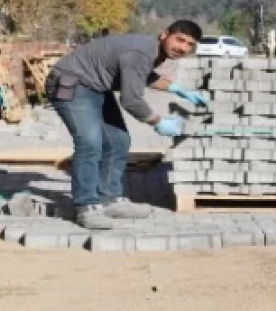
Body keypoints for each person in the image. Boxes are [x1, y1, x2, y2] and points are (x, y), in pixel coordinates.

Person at [46, 20, 210, 230]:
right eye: (180, 40)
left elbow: (142, 75)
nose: (183, 48)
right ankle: (86, 206)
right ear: (164, 34)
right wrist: (158, 122)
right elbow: (131, 100)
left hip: (95, 87)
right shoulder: (141, 51)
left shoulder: (151, 51)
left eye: (190, 45)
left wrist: (178, 89)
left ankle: (111, 200)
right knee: (90, 143)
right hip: (71, 83)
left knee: (118, 141)